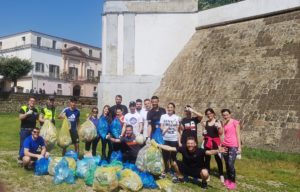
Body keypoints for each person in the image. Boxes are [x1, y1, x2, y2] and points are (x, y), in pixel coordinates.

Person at [157, 137, 225, 189]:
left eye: (192, 143)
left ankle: (204, 182)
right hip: (186, 168)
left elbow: (209, 152)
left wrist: (218, 150)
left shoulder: (200, 151)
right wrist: (158, 145)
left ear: (195, 144)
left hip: (197, 171)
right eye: (188, 143)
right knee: (174, 163)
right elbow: (170, 148)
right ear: (186, 144)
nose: (190, 145)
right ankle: (180, 177)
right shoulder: (183, 149)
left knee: (205, 173)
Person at [220, 109, 241, 190]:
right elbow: (222, 135)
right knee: (226, 163)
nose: (225, 116)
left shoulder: (235, 122)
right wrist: (221, 145)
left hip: (233, 146)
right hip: (225, 145)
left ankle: (233, 182)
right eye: (224, 115)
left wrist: (239, 147)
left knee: (230, 164)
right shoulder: (223, 123)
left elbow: (238, 135)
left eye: (227, 115)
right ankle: (228, 179)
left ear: (230, 114)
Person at [160, 102, 181, 178]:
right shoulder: (163, 116)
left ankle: (174, 171)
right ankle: (165, 170)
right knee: (165, 156)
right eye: (168, 107)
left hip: (174, 139)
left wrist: (179, 141)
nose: (169, 109)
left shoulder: (177, 117)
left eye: (171, 107)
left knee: (173, 157)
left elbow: (178, 130)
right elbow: (161, 127)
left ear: (174, 108)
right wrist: (164, 129)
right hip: (165, 138)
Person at [203, 108, 224, 183]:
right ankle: (207, 174)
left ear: (213, 113)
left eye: (210, 113)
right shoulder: (205, 123)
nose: (209, 115)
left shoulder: (218, 122)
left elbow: (221, 133)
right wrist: (204, 133)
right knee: (207, 159)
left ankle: (221, 175)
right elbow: (205, 134)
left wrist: (219, 127)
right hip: (207, 142)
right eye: (207, 114)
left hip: (216, 142)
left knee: (218, 159)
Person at [18, 96, 39, 161]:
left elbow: (38, 119)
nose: (32, 102)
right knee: (23, 144)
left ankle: (29, 157)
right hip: (25, 130)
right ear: (28, 102)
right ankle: (21, 158)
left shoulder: (36, 110)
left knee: (31, 144)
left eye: (33, 101)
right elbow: (20, 117)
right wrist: (27, 114)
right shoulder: (24, 108)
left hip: (33, 131)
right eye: (31, 101)